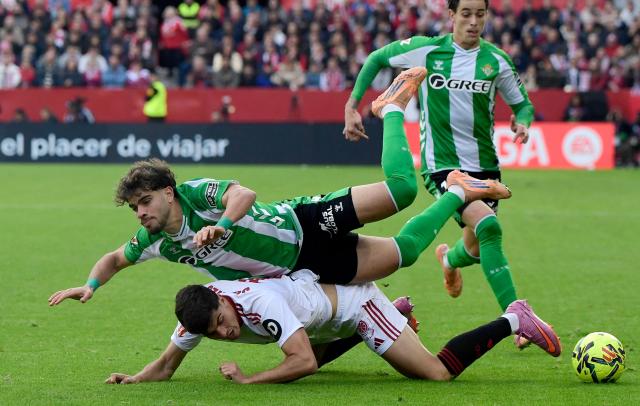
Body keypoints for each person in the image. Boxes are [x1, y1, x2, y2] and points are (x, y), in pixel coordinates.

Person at [49, 68, 511, 307]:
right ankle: (456, 191)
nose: (141, 214)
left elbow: (244, 195)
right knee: (405, 254)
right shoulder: (155, 240)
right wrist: (90, 285)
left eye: (144, 201)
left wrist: (221, 225)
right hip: (300, 269)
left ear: (168, 192)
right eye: (134, 208)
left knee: (402, 192)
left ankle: (391, 108)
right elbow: (114, 258)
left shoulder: (195, 194)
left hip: (302, 221)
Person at [344, 0, 534, 334]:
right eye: (466, 14)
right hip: (441, 165)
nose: (473, 21)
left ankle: (449, 260)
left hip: (485, 167)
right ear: (451, 16)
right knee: (489, 227)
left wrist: (522, 122)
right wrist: (352, 105)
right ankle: (518, 320)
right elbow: (376, 58)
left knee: (475, 248)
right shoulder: (428, 51)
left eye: (480, 14)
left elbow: (523, 105)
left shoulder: (497, 62)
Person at [104, 269, 561, 385]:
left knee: (435, 373)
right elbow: (166, 365)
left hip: (356, 304)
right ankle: (396, 316)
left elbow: (299, 360)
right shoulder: (199, 311)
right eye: (214, 333)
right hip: (321, 320)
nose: (224, 334)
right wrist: (137, 378)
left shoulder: (260, 304)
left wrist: (249, 379)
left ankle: (513, 317)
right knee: (305, 362)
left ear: (225, 301)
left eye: (223, 324)